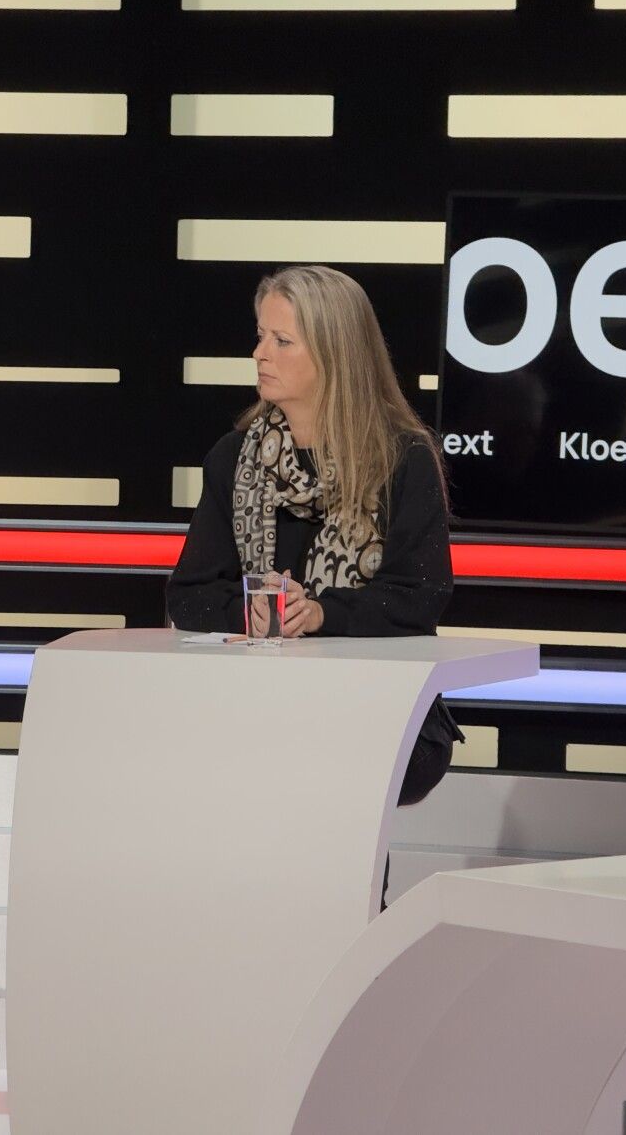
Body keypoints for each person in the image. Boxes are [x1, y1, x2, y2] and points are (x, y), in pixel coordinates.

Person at [167, 265, 462, 808]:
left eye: (282, 341)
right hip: (255, 703)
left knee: (321, 758)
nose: (260, 353)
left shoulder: (401, 459)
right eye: (261, 336)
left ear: (335, 354)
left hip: (376, 705)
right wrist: (255, 613)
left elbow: (418, 597)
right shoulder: (233, 459)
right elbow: (190, 595)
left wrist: (321, 614)